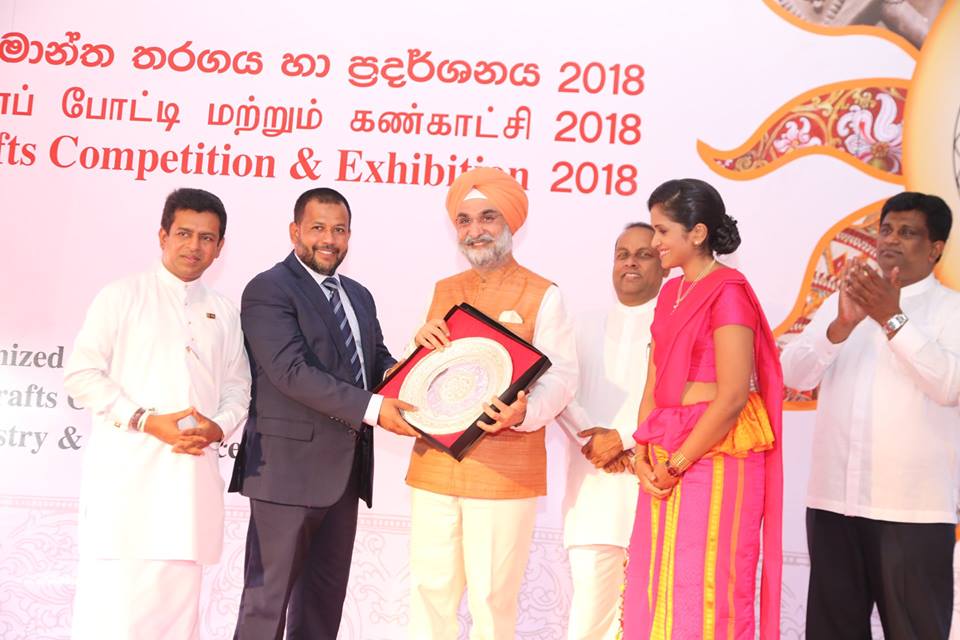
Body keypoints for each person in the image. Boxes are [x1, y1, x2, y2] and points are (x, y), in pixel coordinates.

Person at [229, 187, 417, 640]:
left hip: (344, 478)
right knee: (265, 606)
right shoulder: (268, 289)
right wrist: (375, 409)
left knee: (322, 609)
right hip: (285, 475)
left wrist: (422, 369)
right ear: (295, 231)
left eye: (339, 229)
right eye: (317, 228)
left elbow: (376, 363)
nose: (329, 239)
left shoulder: (359, 295)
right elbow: (291, 372)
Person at [64, 188, 251, 640]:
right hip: (126, 490)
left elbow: (238, 388)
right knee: (113, 619)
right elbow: (81, 375)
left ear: (220, 247)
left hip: (189, 492)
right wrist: (146, 420)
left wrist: (218, 426)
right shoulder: (121, 296)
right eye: (184, 234)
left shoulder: (223, 311)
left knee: (176, 622)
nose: (194, 246)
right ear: (163, 236)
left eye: (207, 238)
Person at [407, 167, 579, 639]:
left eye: (487, 217)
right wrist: (418, 346)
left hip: (506, 469)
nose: (474, 230)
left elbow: (563, 376)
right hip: (436, 465)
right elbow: (422, 375)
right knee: (430, 590)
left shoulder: (543, 294)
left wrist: (526, 413)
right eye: (464, 220)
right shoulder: (444, 290)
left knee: (492, 597)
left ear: (510, 222)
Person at [781, 191, 960, 640]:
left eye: (908, 232)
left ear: (936, 248)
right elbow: (793, 375)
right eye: (886, 230)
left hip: (912, 511)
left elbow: (949, 386)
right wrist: (840, 326)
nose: (891, 240)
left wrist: (891, 318)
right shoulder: (843, 301)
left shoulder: (952, 310)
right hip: (833, 504)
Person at [621, 178, 783, 640]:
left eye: (662, 231)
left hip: (716, 450)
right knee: (657, 581)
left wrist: (678, 462)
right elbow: (653, 380)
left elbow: (732, 396)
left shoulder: (728, 291)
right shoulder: (670, 291)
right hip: (664, 446)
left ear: (697, 233)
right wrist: (641, 453)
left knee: (706, 583)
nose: (654, 242)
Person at [555, 222, 665, 640]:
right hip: (593, 496)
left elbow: (676, 399)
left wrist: (624, 438)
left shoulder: (675, 326)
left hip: (655, 488)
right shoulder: (581, 325)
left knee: (654, 621)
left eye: (644, 254)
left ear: (664, 264)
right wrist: (598, 442)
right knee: (589, 622)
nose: (631, 263)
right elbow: (560, 393)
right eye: (623, 254)